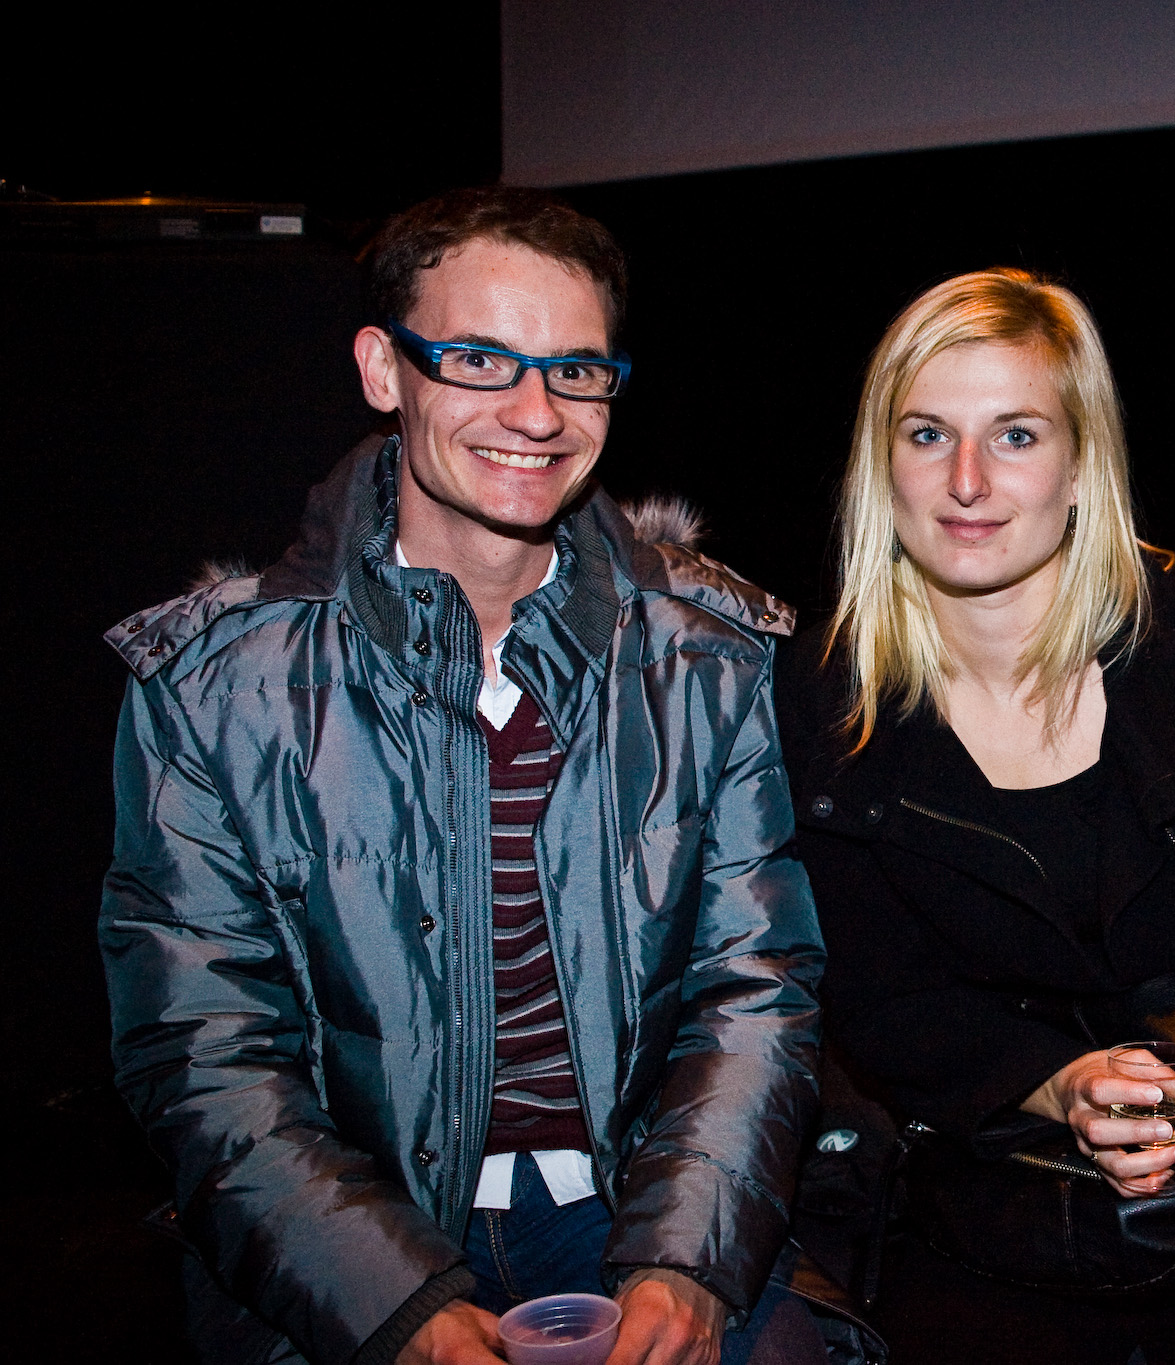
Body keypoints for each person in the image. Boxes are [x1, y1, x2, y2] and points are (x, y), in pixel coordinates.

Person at [99, 187, 828, 1365]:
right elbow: (203, 1049)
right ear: (385, 371)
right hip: (354, 1232)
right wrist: (395, 1304)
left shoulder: (707, 654)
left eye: (575, 372)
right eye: (480, 360)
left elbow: (752, 990)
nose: (535, 413)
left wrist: (684, 1261)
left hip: (637, 1209)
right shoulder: (210, 684)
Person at [775, 268, 1175, 1365]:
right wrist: (1054, 1083)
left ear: (1082, 460)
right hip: (997, 1243)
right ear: (879, 466)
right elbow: (873, 990)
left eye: (1013, 434)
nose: (964, 481)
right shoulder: (821, 696)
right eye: (924, 434)